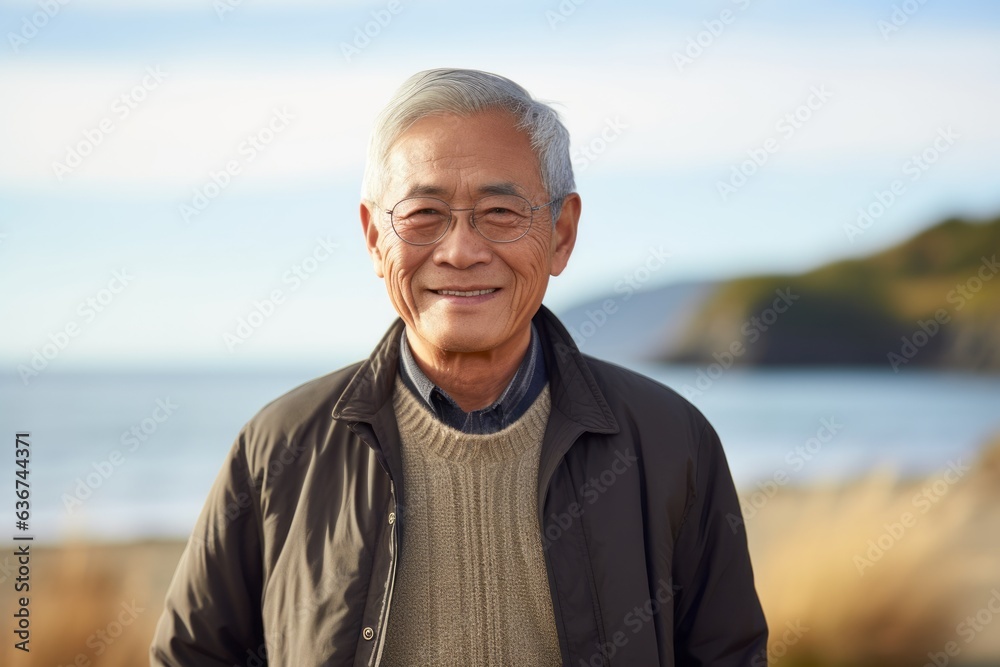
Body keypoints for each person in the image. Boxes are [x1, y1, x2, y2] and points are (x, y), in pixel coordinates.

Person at [151, 68, 767, 666]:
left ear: (561, 233)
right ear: (373, 239)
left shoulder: (669, 441)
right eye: (423, 214)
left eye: (501, 213)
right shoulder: (279, 447)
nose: (461, 251)